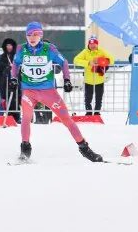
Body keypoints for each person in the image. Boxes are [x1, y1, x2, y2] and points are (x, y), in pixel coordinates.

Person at [10, 22, 103, 162]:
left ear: (41, 35)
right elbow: (16, 64)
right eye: (29, 35)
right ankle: (25, 149)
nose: (32, 37)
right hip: (29, 90)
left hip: (48, 91)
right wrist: (13, 78)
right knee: (26, 117)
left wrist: (67, 79)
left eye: (35, 34)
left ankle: (85, 149)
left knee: (66, 119)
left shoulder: (49, 49)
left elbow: (64, 62)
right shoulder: (21, 49)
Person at [73, 36, 114, 116]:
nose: (93, 46)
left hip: (99, 79)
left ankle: (97, 112)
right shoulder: (85, 52)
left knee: (99, 98)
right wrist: (88, 63)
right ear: (88, 44)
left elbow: (111, 60)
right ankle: (88, 112)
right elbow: (76, 60)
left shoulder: (101, 51)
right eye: (91, 44)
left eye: (94, 44)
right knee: (88, 99)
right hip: (88, 80)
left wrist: (101, 61)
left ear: (97, 44)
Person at [0, 37, 19, 121]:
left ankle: (16, 117)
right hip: (4, 82)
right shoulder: (2, 57)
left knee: (15, 100)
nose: (9, 47)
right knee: (3, 100)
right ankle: (2, 117)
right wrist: (5, 68)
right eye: (7, 45)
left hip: (15, 82)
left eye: (10, 45)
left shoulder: (17, 56)